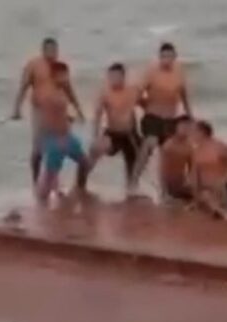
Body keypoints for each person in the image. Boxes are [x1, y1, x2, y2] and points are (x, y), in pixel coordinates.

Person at [11, 38, 85, 184]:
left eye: (55, 50)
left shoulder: (59, 68)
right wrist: (17, 109)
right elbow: (23, 87)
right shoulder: (33, 65)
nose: (52, 53)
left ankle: (53, 180)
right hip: (40, 110)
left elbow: (69, 90)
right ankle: (36, 179)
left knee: (60, 145)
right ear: (43, 50)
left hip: (58, 110)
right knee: (38, 147)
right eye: (49, 50)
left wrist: (78, 109)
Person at [132, 42, 193, 189]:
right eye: (163, 56)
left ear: (174, 57)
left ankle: (165, 189)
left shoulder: (179, 73)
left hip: (170, 119)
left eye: (169, 56)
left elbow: (184, 95)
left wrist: (190, 115)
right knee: (150, 143)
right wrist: (144, 105)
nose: (166, 59)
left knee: (168, 153)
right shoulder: (151, 73)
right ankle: (133, 182)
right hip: (152, 116)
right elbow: (136, 94)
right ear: (159, 57)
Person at [35, 62, 89, 204]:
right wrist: (48, 141)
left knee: (84, 162)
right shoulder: (48, 95)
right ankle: (41, 203)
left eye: (67, 75)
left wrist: (71, 118)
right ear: (55, 76)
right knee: (49, 176)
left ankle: (79, 189)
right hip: (55, 139)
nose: (67, 78)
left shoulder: (61, 91)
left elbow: (59, 114)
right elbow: (44, 120)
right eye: (64, 75)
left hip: (67, 136)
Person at [84, 63, 142, 193]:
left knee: (134, 163)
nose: (113, 80)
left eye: (116, 77)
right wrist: (95, 136)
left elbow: (145, 104)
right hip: (113, 133)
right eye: (110, 77)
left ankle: (131, 190)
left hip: (130, 134)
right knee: (95, 149)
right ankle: (81, 182)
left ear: (123, 77)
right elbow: (97, 116)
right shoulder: (105, 93)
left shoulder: (133, 91)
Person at [159, 115, 195, 202]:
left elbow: (192, 169)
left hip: (183, 184)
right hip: (170, 187)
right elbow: (161, 170)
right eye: (183, 127)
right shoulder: (169, 145)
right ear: (176, 128)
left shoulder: (189, 146)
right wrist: (163, 193)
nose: (186, 130)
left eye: (189, 128)